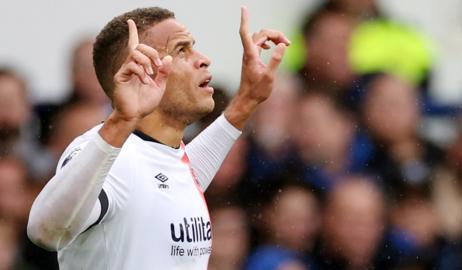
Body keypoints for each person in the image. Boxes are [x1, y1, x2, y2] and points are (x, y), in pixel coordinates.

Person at [27, 6, 289, 270]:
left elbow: (173, 180)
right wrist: (120, 120)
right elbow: (46, 232)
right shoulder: (104, 151)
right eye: (181, 50)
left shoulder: (168, 156)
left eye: (193, 47)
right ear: (141, 70)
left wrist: (247, 100)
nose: (204, 59)